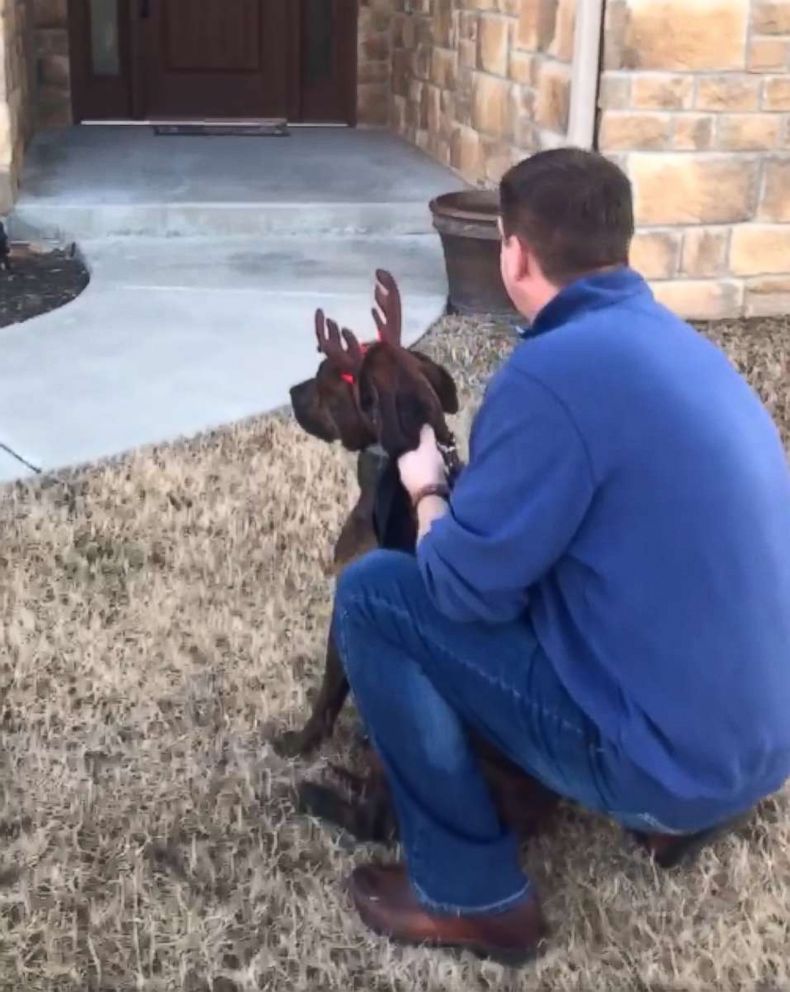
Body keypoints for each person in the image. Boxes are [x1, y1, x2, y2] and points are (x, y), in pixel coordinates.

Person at [332, 148, 790, 963]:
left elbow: (460, 589)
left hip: (668, 766)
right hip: (761, 748)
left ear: (513, 253)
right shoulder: (684, 347)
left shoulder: (547, 378)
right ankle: (682, 807)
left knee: (376, 595)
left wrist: (427, 488)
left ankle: (469, 894)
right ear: (620, 245)